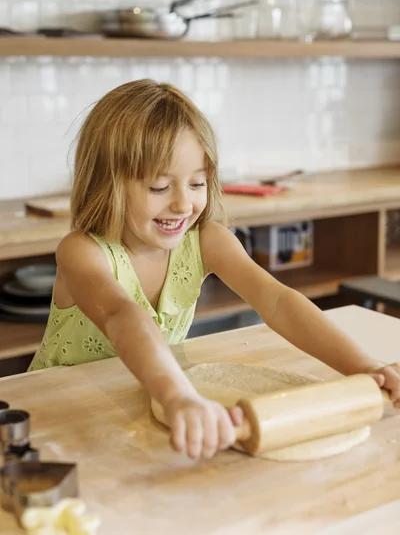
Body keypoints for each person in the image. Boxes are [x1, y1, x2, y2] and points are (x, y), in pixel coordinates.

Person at [29, 79, 400, 460]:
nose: (183, 203)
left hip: (137, 401)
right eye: (159, 187)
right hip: (55, 410)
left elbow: (276, 302)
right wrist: (178, 395)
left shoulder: (207, 240)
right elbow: (123, 316)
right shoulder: (82, 252)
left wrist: (363, 366)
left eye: (196, 183)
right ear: (107, 184)